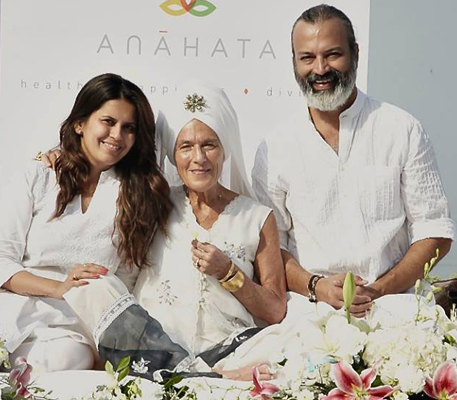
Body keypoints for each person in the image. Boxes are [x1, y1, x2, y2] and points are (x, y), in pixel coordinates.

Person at [39, 83, 287, 381]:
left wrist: (228, 273)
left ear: (225, 150)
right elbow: (103, 165)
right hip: (154, 348)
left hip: (231, 351)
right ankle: (202, 376)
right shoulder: (151, 200)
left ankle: (203, 376)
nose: (199, 158)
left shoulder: (258, 217)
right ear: (172, 154)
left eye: (209, 145)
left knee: (298, 336)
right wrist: (62, 155)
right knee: (96, 285)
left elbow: (275, 310)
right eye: (186, 147)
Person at [0, 73, 173, 373]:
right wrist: (59, 287)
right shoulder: (39, 177)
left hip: (70, 327)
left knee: (63, 361)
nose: (117, 135)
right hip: (7, 306)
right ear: (80, 123)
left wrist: (108, 342)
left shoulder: (138, 197)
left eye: (129, 128)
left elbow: (126, 281)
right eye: (108, 121)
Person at [251, 4, 455, 317]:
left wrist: (379, 290)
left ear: (355, 53)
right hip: (307, 313)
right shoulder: (275, 147)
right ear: (294, 62)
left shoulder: (401, 129)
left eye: (332, 54)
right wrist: (317, 286)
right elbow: (270, 246)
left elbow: (435, 230)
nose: (320, 69)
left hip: (397, 307)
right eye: (307, 58)